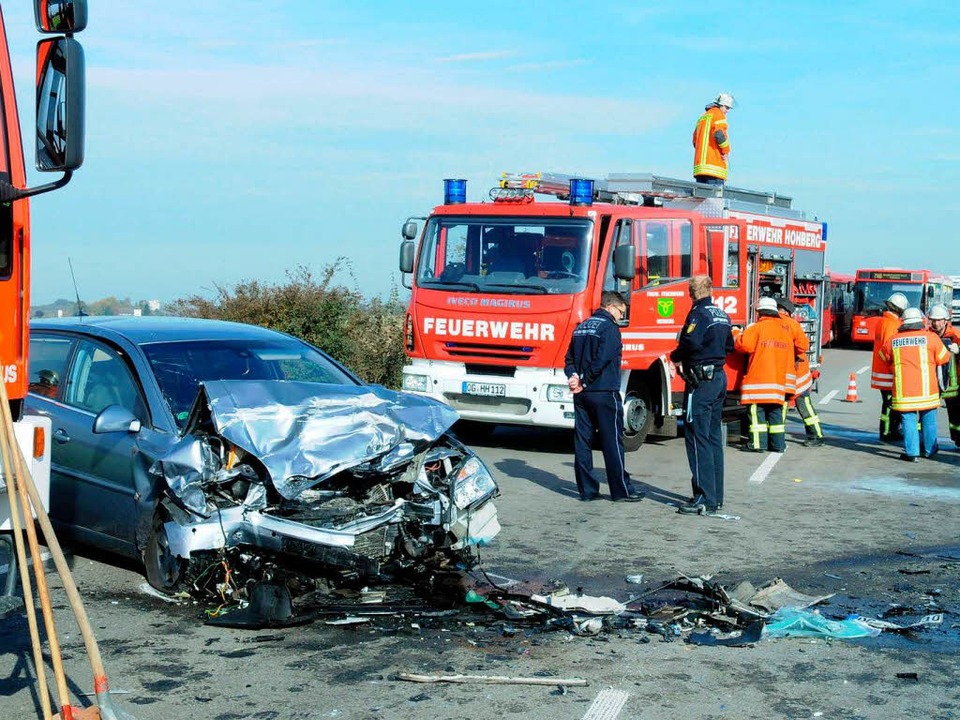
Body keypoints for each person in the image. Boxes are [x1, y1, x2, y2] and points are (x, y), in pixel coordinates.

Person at [565, 291, 645, 502]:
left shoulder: (581, 327)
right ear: (610, 307)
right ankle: (621, 491)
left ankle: (588, 490)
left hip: (581, 395)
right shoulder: (609, 328)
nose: (621, 317)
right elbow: (602, 360)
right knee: (612, 442)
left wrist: (574, 377)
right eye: (621, 312)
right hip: (603, 391)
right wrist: (585, 379)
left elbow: (569, 358)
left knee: (583, 441)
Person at [670, 276, 734, 516]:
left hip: (701, 381)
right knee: (714, 437)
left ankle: (703, 497)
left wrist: (675, 356)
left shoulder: (698, 313)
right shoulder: (721, 314)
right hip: (718, 377)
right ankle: (715, 496)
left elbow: (690, 341)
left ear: (690, 292)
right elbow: (730, 346)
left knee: (697, 437)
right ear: (711, 290)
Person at [879, 307, 951, 461]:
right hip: (928, 391)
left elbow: (883, 358)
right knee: (929, 420)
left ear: (903, 322)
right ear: (921, 321)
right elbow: (944, 358)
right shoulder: (931, 338)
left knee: (908, 421)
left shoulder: (893, 340)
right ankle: (930, 450)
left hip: (904, 391)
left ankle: (912, 454)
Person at [733, 296, 794, 453]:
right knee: (775, 416)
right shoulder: (784, 331)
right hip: (778, 384)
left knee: (756, 414)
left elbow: (743, 346)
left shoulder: (756, 328)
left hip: (758, 383)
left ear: (760, 312)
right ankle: (778, 445)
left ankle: (758, 444)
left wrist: (735, 332)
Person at [776, 298, 823, 447]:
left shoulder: (771, 324)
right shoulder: (793, 324)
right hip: (798, 371)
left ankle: (778, 438)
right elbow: (803, 346)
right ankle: (815, 435)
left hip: (787, 372)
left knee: (783, 404)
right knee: (804, 404)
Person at [870, 292, 909, 442]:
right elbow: (889, 349)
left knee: (889, 403)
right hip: (888, 373)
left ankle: (889, 430)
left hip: (882, 372)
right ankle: (887, 432)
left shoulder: (883, 321)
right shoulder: (892, 324)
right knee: (890, 404)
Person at [928, 303, 960, 447]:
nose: (935, 323)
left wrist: (959, 349)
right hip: (931, 381)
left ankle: (958, 439)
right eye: (933, 320)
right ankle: (924, 440)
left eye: (939, 320)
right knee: (925, 412)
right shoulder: (927, 335)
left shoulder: (955, 335)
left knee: (955, 414)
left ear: (945, 320)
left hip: (953, 384)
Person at [693, 93, 734, 186]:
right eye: (726, 107)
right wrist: (726, 151)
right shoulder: (719, 115)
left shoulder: (702, 118)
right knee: (715, 199)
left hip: (699, 169)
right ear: (720, 105)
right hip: (714, 167)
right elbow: (719, 134)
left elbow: (695, 141)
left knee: (701, 199)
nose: (727, 111)